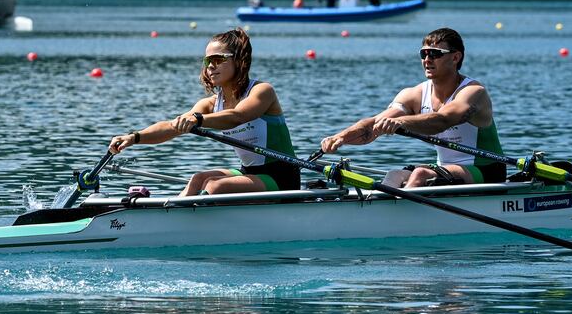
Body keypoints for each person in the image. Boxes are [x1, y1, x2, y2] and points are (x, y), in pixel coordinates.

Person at [109, 28, 300, 196]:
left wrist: (198, 120)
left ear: (239, 61)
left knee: (215, 186)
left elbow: (237, 117)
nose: (210, 66)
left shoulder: (262, 91)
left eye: (218, 59)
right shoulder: (209, 104)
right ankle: (172, 214)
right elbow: (171, 127)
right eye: (208, 60)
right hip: (249, 172)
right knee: (198, 179)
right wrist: (134, 137)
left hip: (281, 177)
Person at [320, 27, 505, 188]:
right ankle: (380, 214)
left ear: (456, 57)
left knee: (420, 174)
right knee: (394, 174)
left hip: (487, 169)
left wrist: (399, 122)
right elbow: (372, 126)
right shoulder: (413, 94)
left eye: (435, 54)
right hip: (445, 167)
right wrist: (340, 137)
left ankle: (394, 220)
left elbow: (442, 121)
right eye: (423, 54)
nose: (427, 59)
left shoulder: (473, 92)